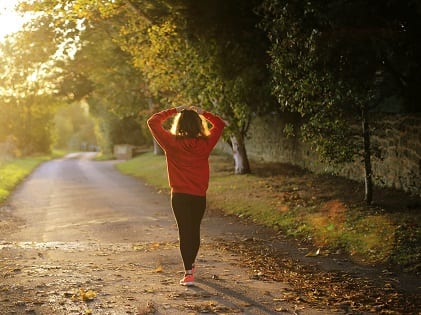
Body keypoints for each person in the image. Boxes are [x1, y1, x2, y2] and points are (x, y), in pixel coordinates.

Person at [147, 105, 226, 286]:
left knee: (185, 232)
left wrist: (174, 109)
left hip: (180, 196)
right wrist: (203, 112)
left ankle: (188, 272)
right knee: (194, 230)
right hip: (198, 196)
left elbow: (152, 121)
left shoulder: (171, 142)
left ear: (179, 124)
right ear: (199, 125)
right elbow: (220, 124)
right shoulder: (205, 143)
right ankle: (191, 264)